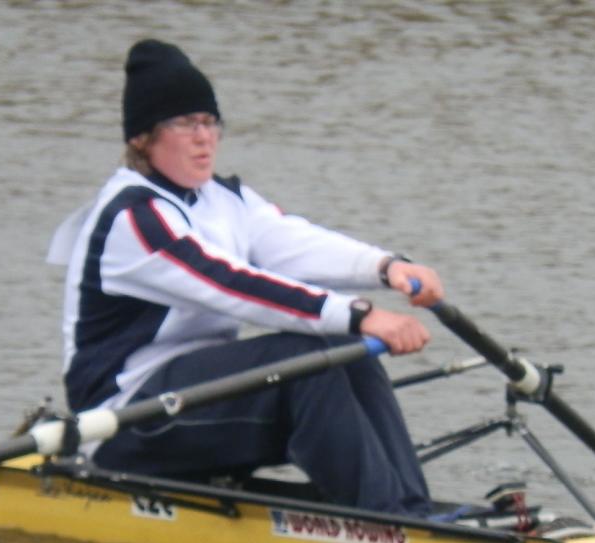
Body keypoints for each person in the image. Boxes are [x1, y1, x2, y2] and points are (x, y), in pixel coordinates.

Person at [52, 39, 443, 516]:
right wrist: (360, 314)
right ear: (142, 138)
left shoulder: (223, 198)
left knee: (345, 351)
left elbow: (293, 243)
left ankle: (411, 508)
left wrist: (387, 267)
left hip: (197, 397)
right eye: (185, 123)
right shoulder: (134, 218)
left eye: (210, 121)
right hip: (126, 421)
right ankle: (388, 521)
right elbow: (232, 285)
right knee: (308, 360)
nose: (204, 137)